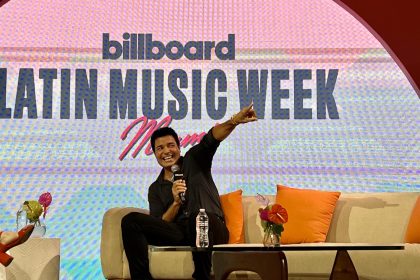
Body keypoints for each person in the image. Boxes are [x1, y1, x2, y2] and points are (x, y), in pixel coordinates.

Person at [121, 103, 257, 280]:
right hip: (181, 231)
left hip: (212, 227)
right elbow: (161, 222)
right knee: (130, 221)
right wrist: (176, 203)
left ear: (178, 147)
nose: (166, 151)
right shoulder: (156, 188)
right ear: (155, 154)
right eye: (160, 148)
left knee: (198, 217)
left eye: (170, 145)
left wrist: (234, 122)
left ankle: (202, 276)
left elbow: (211, 139)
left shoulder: (194, 160)